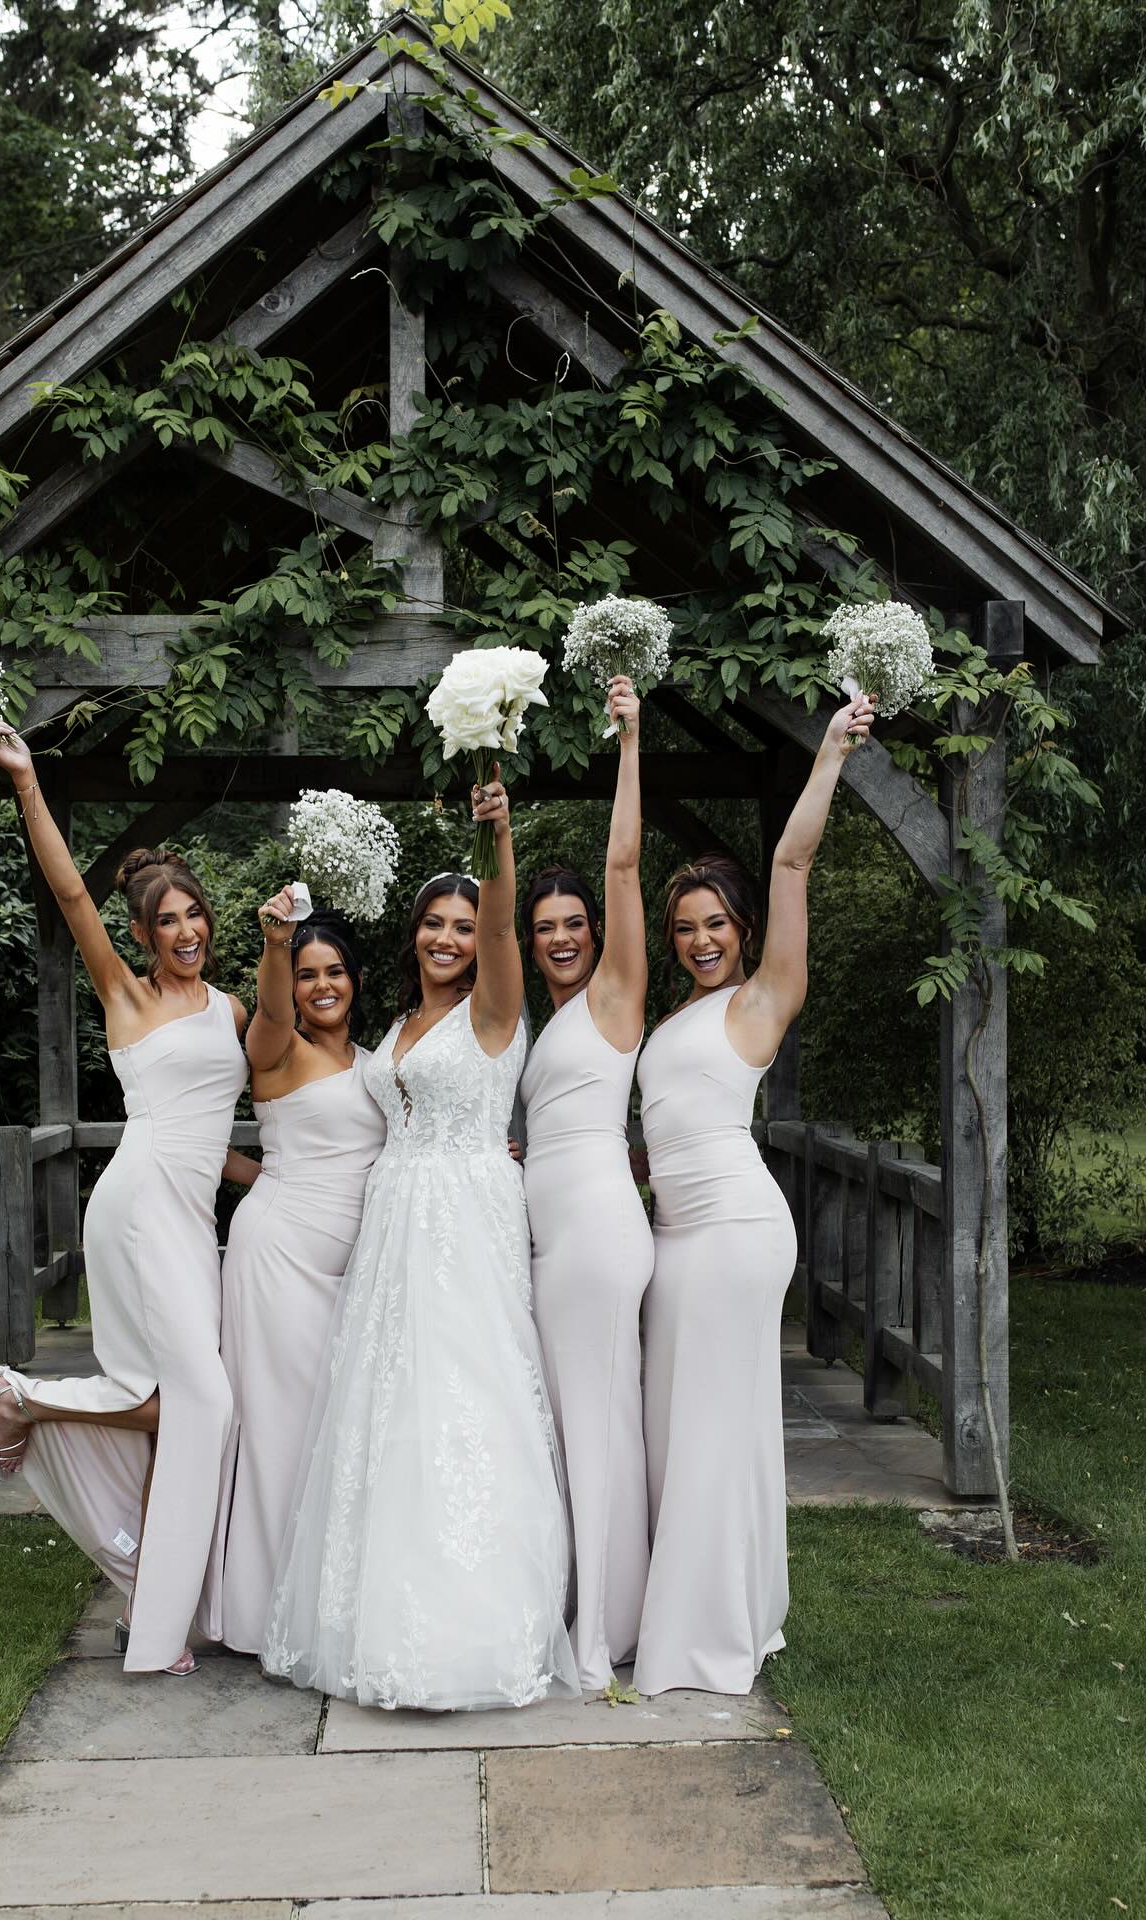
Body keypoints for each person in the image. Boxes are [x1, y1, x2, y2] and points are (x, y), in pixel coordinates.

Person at [262, 774, 579, 1710]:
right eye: (432, 923)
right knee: (389, 1407)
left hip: (465, 1213)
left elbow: (499, 930)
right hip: (392, 1222)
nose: (448, 937)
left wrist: (497, 840)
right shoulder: (398, 1025)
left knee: (467, 1397)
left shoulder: (495, 1007)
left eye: (461, 924)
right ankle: (381, 1617)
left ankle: (471, 1628)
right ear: (412, 934)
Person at [0, 712, 250, 1677]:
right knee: (198, 1401)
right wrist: (26, 782)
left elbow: (218, 1143)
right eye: (165, 921)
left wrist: (289, 1177)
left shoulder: (235, 1009)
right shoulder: (127, 996)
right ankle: (29, 1397)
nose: (184, 931)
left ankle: (158, 1607)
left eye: (194, 916)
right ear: (142, 934)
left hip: (191, 1211)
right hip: (135, 1211)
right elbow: (66, 890)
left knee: (181, 1404)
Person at [633, 691, 875, 1695]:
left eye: (715, 924)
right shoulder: (669, 1019)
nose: (700, 941)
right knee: (676, 1422)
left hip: (734, 1232)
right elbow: (655, 1139)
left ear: (742, 930)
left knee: (714, 1424)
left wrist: (828, 754)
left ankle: (709, 1633)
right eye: (685, 927)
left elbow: (790, 863)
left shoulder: (760, 1000)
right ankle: (699, 1606)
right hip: (675, 1231)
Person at [519, 675, 653, 1691]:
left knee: (600, 1423)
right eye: (545, 926)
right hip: (549, 1233)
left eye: (574, 922)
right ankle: (589, 1604)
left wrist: (629, 735)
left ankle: (598, 1639)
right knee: (568, 1425)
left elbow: (622, 860)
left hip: (601, 1232)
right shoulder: (543, 1024)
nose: (563, 935)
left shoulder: (615, 993)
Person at [206, 901, 386, 1656]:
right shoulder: (275, 1051)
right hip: (279, 1259)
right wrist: (276, 946)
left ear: (355, 979)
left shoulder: (377, 1062)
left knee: (337, 1432)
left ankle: (330, 1600)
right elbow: (272, 1014)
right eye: (307, 974)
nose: (320, 986)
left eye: (333, 971)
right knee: (280, 1434)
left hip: (357, 1270)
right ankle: (263, 1614)